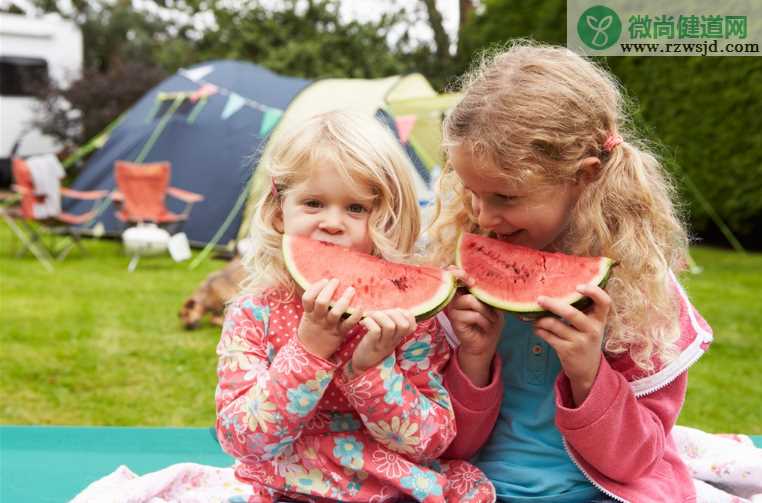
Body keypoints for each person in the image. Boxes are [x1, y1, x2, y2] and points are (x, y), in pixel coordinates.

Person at [429, 41, 714, 503]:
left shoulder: (642, 292)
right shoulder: (461, 279)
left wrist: (588, 374)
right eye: (473, 193)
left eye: (505, 197)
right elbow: (448, 442)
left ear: (583, 176)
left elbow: (633, 461)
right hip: (472, 487)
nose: (481, 218)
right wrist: (473, 363)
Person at [215, 110, 495, 503]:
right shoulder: (253, 315)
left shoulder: (408, 320)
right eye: (313, 203)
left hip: (392, 491)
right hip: (287, 490)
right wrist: (308, 352)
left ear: (386, 217)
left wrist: (372, 369)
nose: (332, 222)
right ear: (280, 212)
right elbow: (242, 440)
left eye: (356, 208)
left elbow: (430, 441)